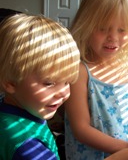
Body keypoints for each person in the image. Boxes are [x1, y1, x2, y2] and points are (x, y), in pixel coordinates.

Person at [64, 0, 128, 159]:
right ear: (85, 26)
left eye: (122, 30)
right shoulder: (79, 72)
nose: (113, 38)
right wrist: (125, 148)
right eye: (102, 28)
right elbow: (81, 129)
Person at [0, 13, 80, 160]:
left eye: (67, 81)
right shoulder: (27, 146)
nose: (63, 93)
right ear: (10, 82)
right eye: (49, 83)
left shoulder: (11, 110)